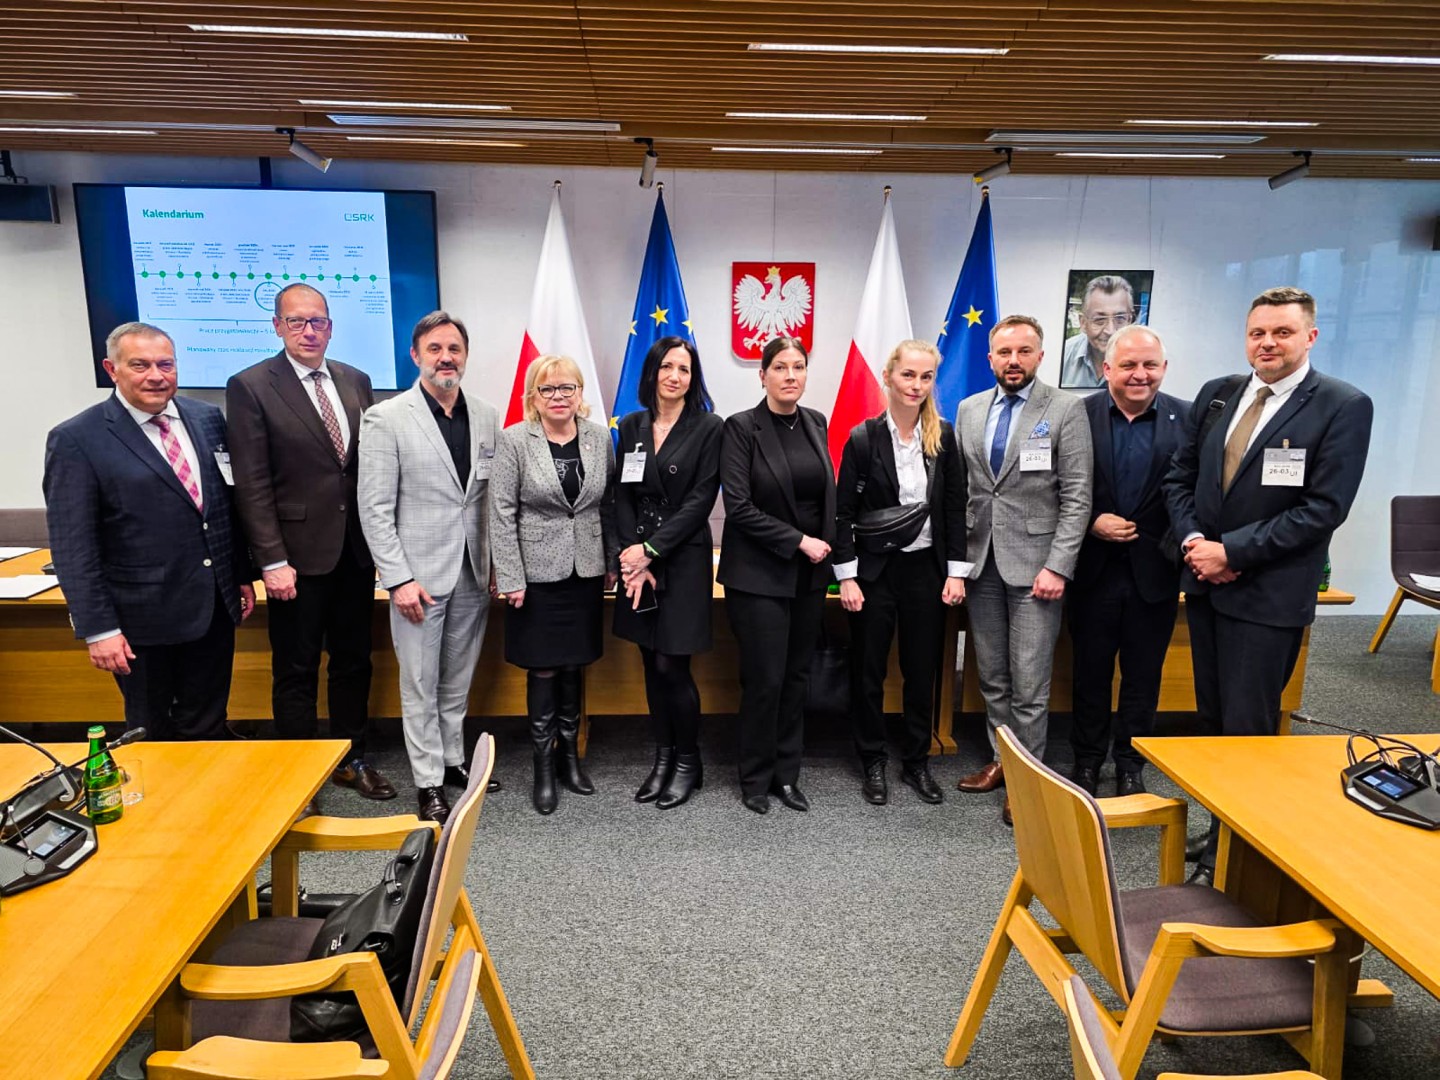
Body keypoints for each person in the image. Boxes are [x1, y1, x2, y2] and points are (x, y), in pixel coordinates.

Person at [1163, 287, 1372, 886]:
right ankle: (1222, 827)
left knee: (1248, 731)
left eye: (1281, 333)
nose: (1267, 344)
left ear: (1310, 336)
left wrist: (1234, 552)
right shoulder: (1219, 394)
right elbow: (1181, 477)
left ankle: (1230, 863)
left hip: (1267, 596)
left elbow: (1322, 509)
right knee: (1211, 722)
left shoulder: (1341, 405)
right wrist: (1195, 545)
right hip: (1206, 582)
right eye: (1258, 333)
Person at [43, 322, 256, 739]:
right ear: (112, 369)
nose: (156, 375)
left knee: (208, 721)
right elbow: (73, 546)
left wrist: (240, 576)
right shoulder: (76, 439)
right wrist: (98, 629)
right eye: (140, 365)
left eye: (166, 364)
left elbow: (223, 506)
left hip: (213, 606)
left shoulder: (207, 418)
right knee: (152, 732)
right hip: (140, 619)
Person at [226, 283, 395, 804]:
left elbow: (364, 469)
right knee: (295, 667)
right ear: (277, 326)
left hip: (353, 552)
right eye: (296, 321)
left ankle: (351, 758)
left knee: (353, 661)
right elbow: (252, 483)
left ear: (330, 325)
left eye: (317, 321)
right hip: (294, 560)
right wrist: (270, 560)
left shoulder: (356, 380)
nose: (308, 330)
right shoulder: (252, 385)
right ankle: (297, 773)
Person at [358, 311, 502, 825]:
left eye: (455, 349)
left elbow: (488, 500)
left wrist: (495, 564)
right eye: (435, 349)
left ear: (465, 356)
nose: (446, 358)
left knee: (457, 678)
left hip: (472, 571)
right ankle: (427, 782)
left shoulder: (486, 415)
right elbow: (374, 507)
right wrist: (396, 578)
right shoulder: (386, 417)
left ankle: (452, 760)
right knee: (419, 682)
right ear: (416, 356)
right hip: (416, 577)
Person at [954, 315, 1093, 824]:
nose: (1014, 360)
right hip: (980, 562)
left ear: (1039, 356)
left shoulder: (1065, 409)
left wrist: (1059, 565)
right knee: (991, 675)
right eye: (1004, 352)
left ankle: (1029, 778)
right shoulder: (968, 410)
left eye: (1024, 351)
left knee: (1029, 681)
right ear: (990, 358)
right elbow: (967, 489)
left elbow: (1078, 496)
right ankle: (1000, 760)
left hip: (1038, 568)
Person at [834, 340, 969, 806]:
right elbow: (843, 513)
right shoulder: (863, 438)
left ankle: (916, 760)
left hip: (925, 572)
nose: (916, 385)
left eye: (926, 377)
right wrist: (847, 577)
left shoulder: (944, 437)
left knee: (921, 670)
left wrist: (956, 573)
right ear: (889, 376)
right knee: (868, 671)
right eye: (908, 375)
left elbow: (955, 507)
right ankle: (872, 758)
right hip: (874, 572)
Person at [490, 354, 618, 816]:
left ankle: (570, 762)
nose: (559, 397)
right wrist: (510, 576)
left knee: (573, 666)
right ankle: (543, 768)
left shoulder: (599, 438)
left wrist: (609, 562)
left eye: (568, 388)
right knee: (542, 668)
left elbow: (606, 505)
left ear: (581, 394)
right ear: (534, 396)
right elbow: (501, 514)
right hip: (535, 576)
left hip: (583, 571)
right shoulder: (514, 441)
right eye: (548, 389)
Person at [718, 335, 835, 815]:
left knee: (796, 678)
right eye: (781, 367)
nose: (791, 375)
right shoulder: (741, 428)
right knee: (765, 679)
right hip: (759, 576)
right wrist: (798, 542)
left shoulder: (816, 423)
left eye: (799, 367)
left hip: (808, 577)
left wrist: (828, 556)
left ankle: (787, 776)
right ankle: (755, 778)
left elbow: (825, 498)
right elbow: (739, 508)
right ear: (761, 375)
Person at [1067, 325, 1187, 797]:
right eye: (1129, 365)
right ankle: (1088, 761)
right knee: (1089, 673)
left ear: (1163, 368)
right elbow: (1057, 486)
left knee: (1143, 675)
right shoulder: (1079, 416)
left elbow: (1196, 495)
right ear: (1107, 369)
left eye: (1149, 365)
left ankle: (1132, 762)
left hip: (1154, 572)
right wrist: (1092, 520)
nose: (1140, 375)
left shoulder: (1189, 419)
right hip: (1093, 570)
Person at [613, 336, 724, 810]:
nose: (676, 376)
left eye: (685, 368)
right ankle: (661, 758)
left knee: (671, 664)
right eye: (668, 367)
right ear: (653, 372)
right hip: (637, 561)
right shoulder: (633, 424)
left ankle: (687, 761)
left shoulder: (709, 427)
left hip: (680, 558)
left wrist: (651, 552)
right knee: (648, 663)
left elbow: (701, 500)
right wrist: (630, 556)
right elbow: (621, 495)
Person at [1060, 276, 1135, 389]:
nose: (1110, 331)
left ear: (1129, 320)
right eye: (1099, 320)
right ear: (1083, 323)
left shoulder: (1144, 362)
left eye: (1120, 319)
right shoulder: (1064, 354)